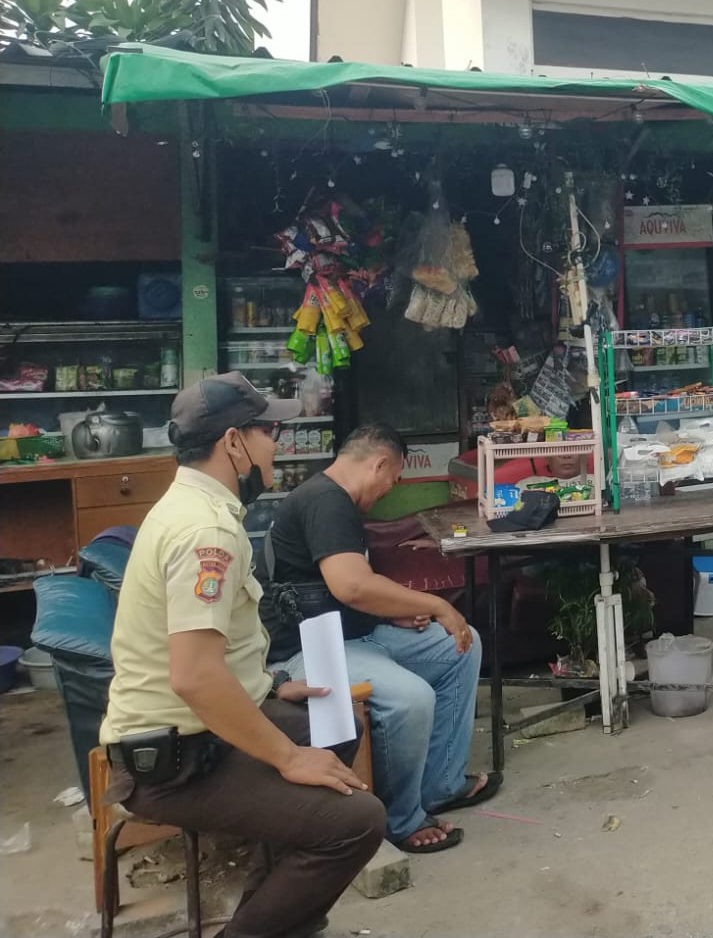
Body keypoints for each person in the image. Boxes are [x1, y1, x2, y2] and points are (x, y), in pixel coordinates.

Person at [100, 372, 384, 938]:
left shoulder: (194, 507)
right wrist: (286, 757)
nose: (276, 445)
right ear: (234, 443)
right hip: (171, 761)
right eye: (268, 431)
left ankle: (275, 917)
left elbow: (212, 653)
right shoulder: (204, 533)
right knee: (357, 821)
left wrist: (273, 683)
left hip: (196, 734)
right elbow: (195, 676)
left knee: (336, 726)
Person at [263, 423, 499, 855]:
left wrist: (399, 612)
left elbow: (347, 589)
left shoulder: (336, 500)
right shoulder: (325, 501)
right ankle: (400, 819)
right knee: (411, 699)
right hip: (310, 652)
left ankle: (441, 783)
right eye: (394, 479)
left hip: (356, 634)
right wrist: (437, 605)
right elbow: (351, 585)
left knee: (460, 645)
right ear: (380, 463)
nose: (391, 489)